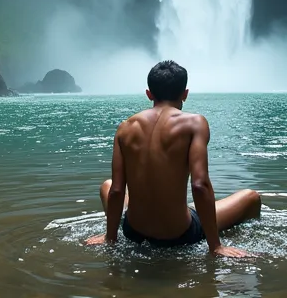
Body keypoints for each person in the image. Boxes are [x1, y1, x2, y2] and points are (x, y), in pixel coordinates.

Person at [84, 60, 261, 256]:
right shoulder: (195, 124)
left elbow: (117, 190)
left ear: (149, 94)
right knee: (251, 198)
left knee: (107, 186)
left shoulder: (125, 127)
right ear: (185, 94)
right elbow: (200, 185)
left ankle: (128, 228)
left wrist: (110, 238)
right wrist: (216, 246)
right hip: (178, 234)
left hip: (133, 231)